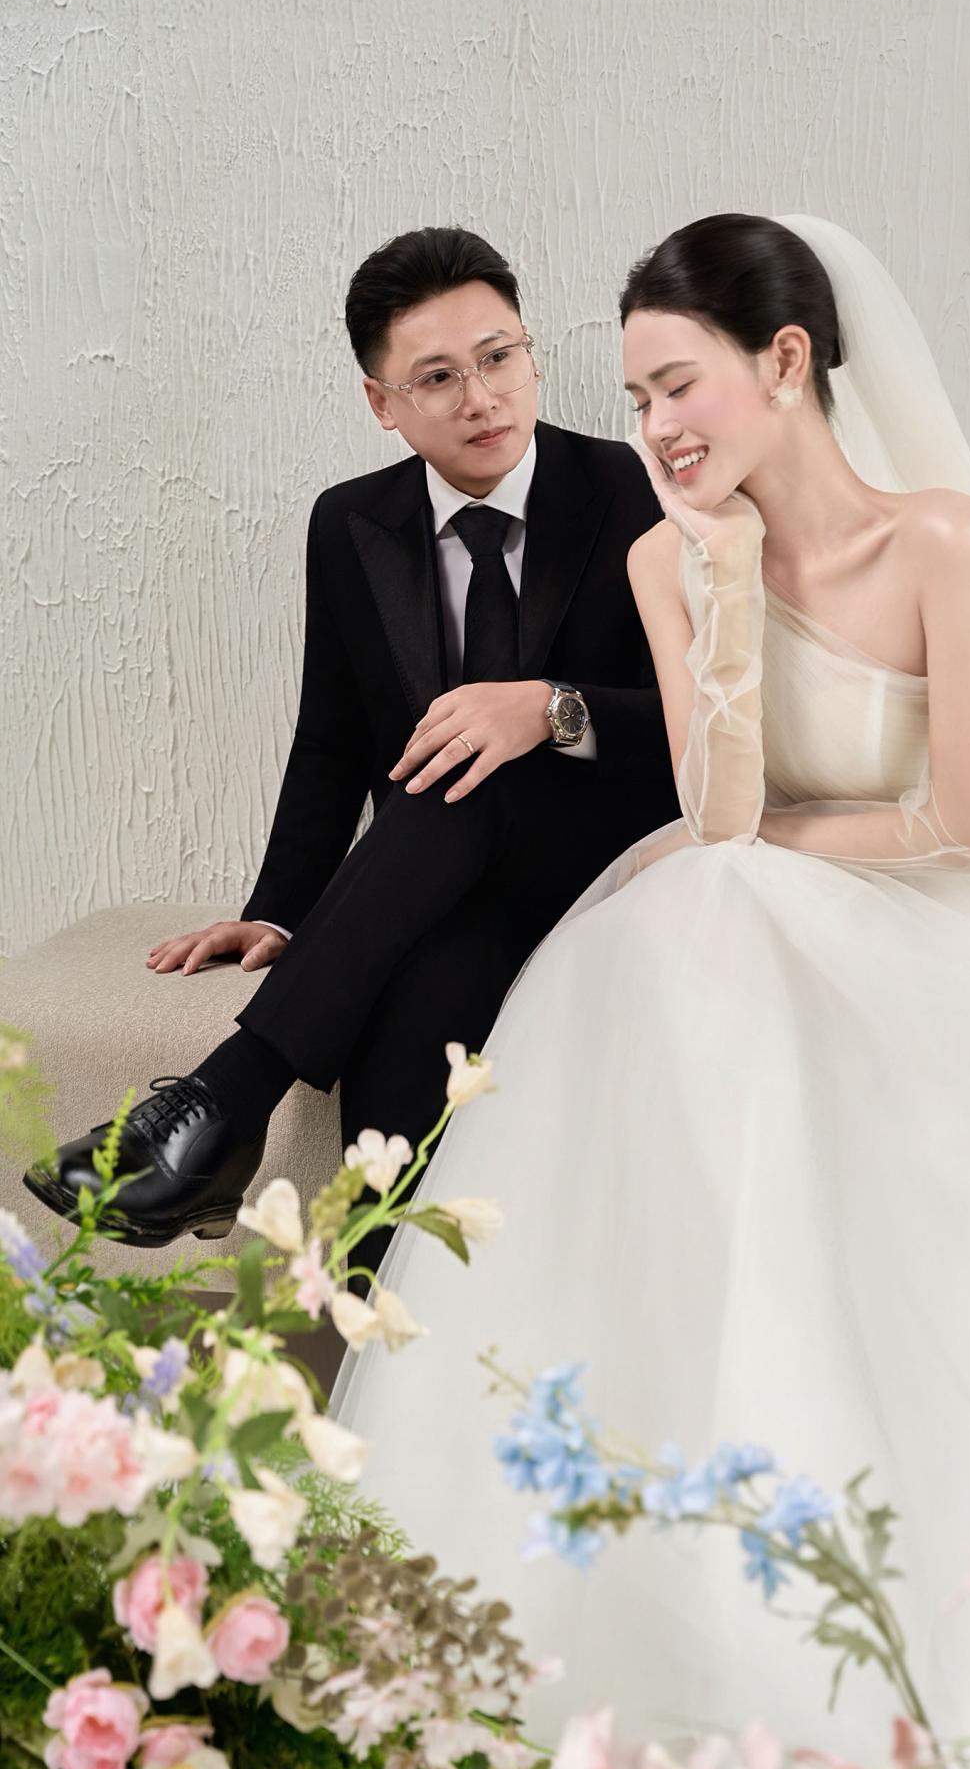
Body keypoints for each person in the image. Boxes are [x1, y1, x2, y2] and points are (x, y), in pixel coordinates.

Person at [333, 213, 970, 1750]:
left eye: (679, 385)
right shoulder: (667, 556)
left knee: (750, 919)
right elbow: (716, 815)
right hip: (743, 892)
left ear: (785, 361)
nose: (655, 427)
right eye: (637, 398)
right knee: (698, 927)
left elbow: (965, 819)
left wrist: (773, 843)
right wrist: (716, 587)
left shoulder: (940, 541)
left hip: (940, 911)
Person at [24, 227, 678, 1248]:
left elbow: (696, 722)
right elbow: (330, 741)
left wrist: (549, 708)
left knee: (478, 759)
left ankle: (222, 1103)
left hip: (604, 861)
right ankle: (376, 1305)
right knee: (417, 989)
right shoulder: (349, 523)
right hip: (443, 884)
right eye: (439, 377)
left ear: (532, 353)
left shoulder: (632, 491)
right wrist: (279, 912)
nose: (482, 398)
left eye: (500, 356)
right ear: (382, 402)